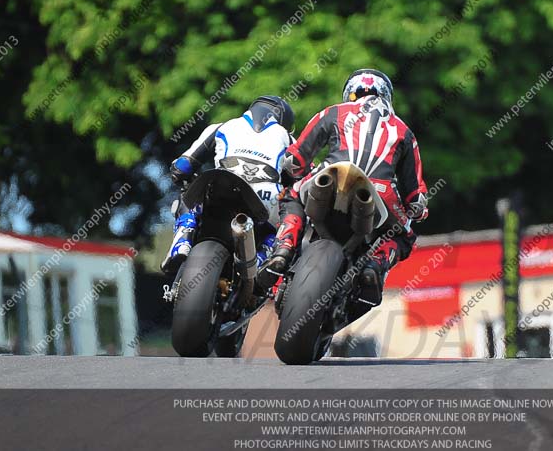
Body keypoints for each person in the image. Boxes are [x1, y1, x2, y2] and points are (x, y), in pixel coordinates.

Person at [257, 69, 428, 305]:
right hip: (381, 192)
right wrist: (415, 212)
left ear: (350, 92)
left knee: (291, 195)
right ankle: (375, 264)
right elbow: (416, 197)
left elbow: (295, 160)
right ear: (386, 96)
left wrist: (290, 175)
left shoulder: (333, 112)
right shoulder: (403, 130)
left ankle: (284, 247)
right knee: (405, 235)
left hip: (331, 173)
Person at [161, 95, 295, 274]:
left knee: (189, 195)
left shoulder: (222, 126)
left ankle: (184, 235)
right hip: (265, 198)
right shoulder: (290, 140)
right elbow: (304, 180)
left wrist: (178, 174)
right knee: (278, 228)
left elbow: (183, 166)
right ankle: (264, 258)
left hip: (221, 182)